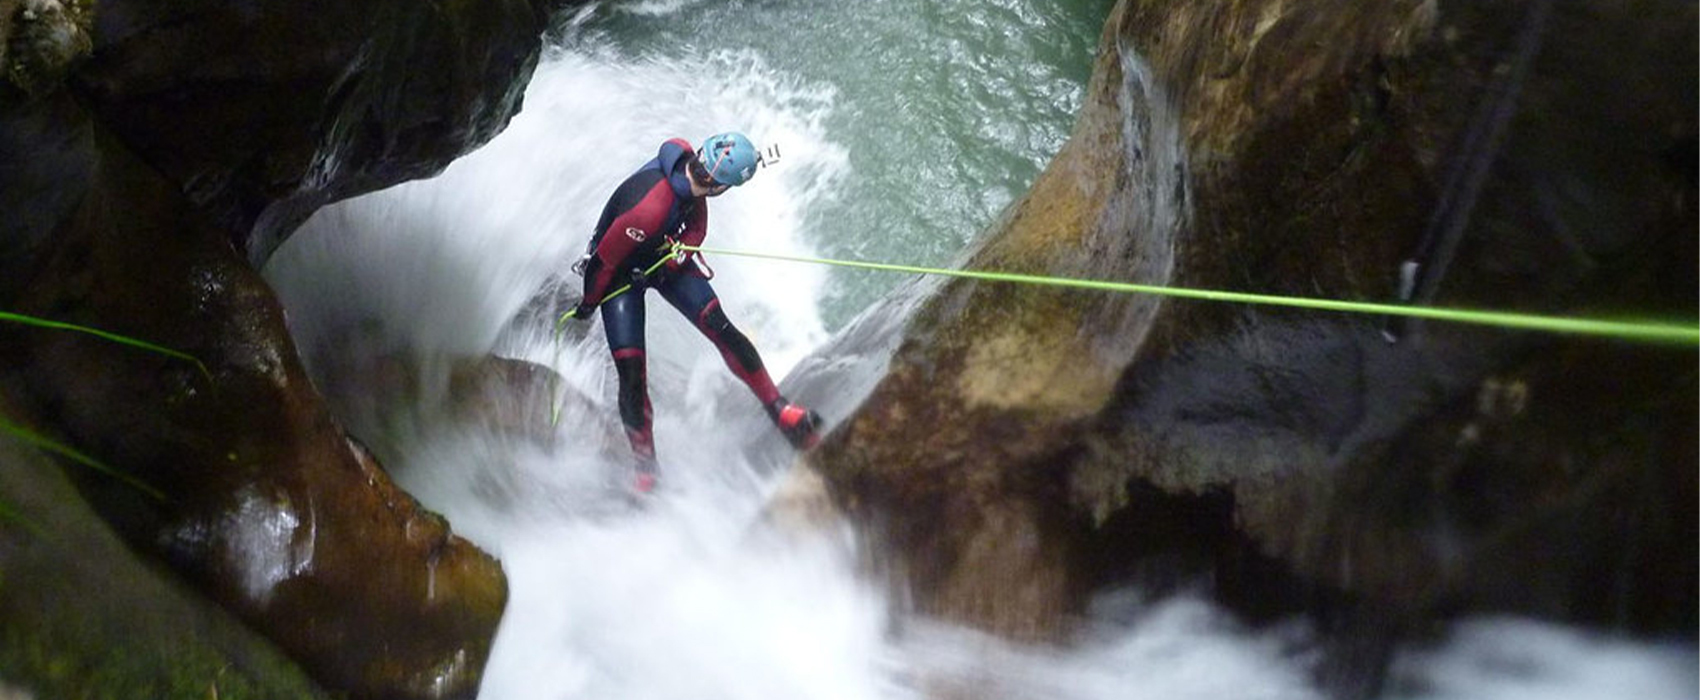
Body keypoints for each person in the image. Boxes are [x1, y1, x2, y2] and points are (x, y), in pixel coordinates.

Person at [569, 132, 821, 494]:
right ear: (720, 186)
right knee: (631, 373)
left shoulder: (690, 163)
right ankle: (646, 467)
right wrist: (588, 304)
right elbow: (603, 264)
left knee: (722, 328)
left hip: (666, 257)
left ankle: (781, 411)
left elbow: (696, 213)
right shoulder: (651, 206)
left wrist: (686, 246)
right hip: (619, 274)